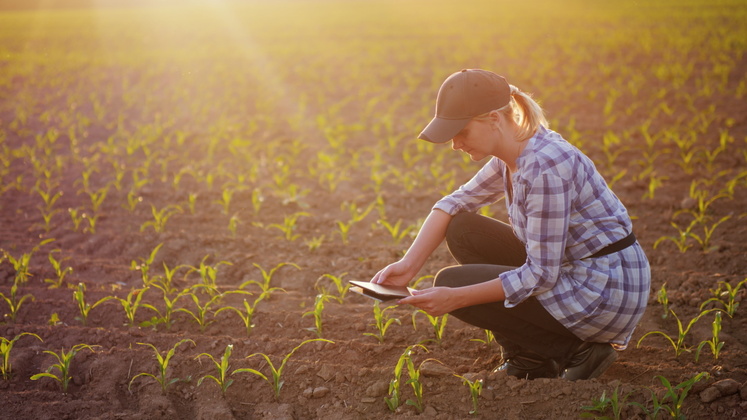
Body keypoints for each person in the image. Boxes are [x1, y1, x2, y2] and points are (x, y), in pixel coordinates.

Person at [370, 69, 650, 381]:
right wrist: (409, 265)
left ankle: (578, 350)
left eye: (460, 131)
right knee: (465, 230)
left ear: (493, 119)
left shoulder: (545, 167)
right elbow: (454, 203)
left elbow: (541, 274)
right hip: (575, 270)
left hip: (603, 290)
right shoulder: (514, 152)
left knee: (455, 283)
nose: (455, 145)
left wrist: (454, 298)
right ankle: (531, 360)